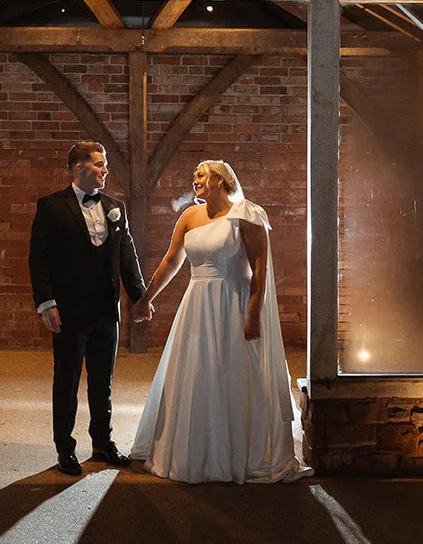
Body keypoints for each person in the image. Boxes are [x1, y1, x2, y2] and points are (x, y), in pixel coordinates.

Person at [129, 160, 310, 484]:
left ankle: (234, 452)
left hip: (232, 304)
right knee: (196, 372)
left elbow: (260, 269)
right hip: (197, 304)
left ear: (221, 180)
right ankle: (193, 452)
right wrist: (147, 298)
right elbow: (172, 260)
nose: (194, 178)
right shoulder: (189, 216)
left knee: (232, 373)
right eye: (194, 173)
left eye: (201, 174)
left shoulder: (246, 215)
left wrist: (253, 314)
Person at [29, 141, 148, 477]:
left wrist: (139, 297)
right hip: (68, 310)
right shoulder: (52, 207)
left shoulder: (115, 207)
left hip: (106, 310)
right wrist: (46, 303)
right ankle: (65, 449)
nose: (105, 171)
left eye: (105, 165)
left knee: (103, 381)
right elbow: (38, 259)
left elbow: (127, 255)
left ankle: (103, 443)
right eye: (98, 165)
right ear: (78, 167)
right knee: (65, 380)